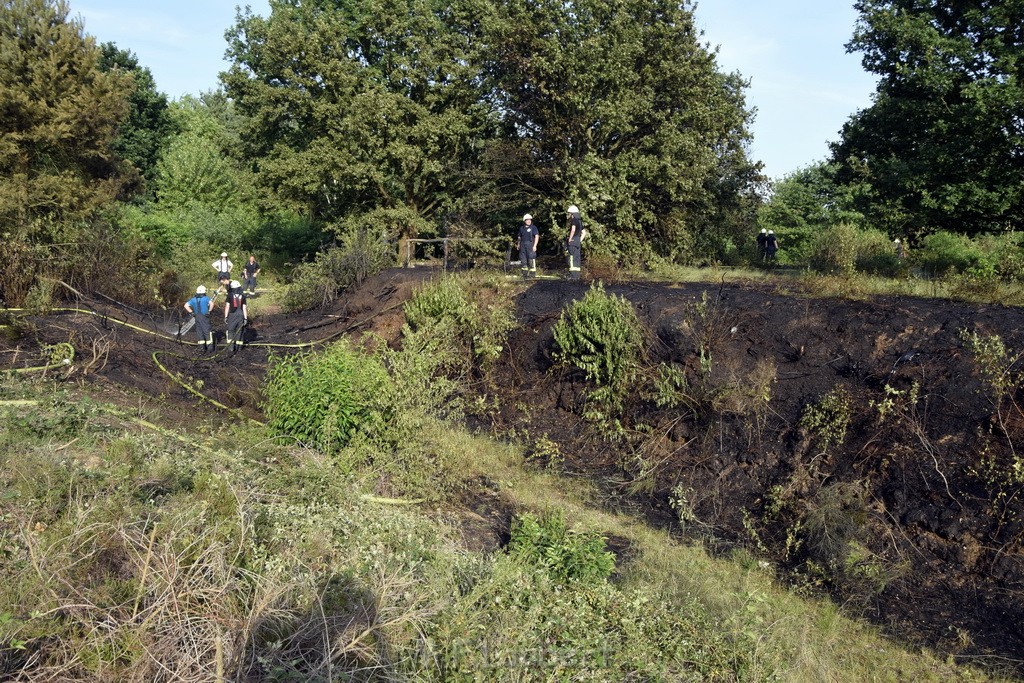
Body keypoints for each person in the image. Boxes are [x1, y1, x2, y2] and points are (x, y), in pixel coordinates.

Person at [183, 285, 214, 351]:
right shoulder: (206, 298)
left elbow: (186, 305)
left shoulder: (193, 299)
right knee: (207, 332)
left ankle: (202, 348)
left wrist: (191, 312)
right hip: (205, 317)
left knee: (199, 332)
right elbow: (212, 304)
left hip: (197, 317)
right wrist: (209, 311)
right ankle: (210, 348)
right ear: (204, 292)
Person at [224, 280, 248, 347]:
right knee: (239, 331)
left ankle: (231, 348)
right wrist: (245, 318)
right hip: (241, 315)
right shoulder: (243, 296)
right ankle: (239, 348)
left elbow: (227, 307)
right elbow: (244, 308)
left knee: (231, 331)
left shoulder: (229, 296)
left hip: (232, 315)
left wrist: (226, 317)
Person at [516, 213, 540, 279]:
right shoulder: (521, 228)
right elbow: (519, 237)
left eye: (530, 220)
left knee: (531, 260)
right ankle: (524, 274)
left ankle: (532, 274)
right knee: (523, 260)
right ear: (524, 221)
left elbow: (537, 236)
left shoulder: (533, 228)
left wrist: (535, 246)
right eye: (527, 220)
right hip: (522, 245)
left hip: (530, 245)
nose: (529, 221)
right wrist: (518, 245)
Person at [565, 205, 583, 280]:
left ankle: (572, 276)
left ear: (572, 213)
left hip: (573, 241)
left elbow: (573, 229)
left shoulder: (574, 220)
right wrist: (579, 240)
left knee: (571, 258)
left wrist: (570, 239)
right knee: (577, 258)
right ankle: (577, 276)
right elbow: (584, 232)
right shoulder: (580, 221)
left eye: (569, 213)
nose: (568, 215)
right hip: (577, 241)